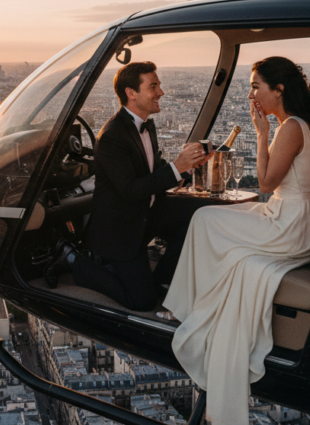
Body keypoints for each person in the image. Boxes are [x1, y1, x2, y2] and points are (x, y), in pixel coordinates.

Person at [161, 56, 310, 425]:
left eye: (256, 85)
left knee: (205, 219)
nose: (251, 93)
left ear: (279, 90)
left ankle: (188, 308)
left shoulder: (289, 128)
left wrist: (260, 133)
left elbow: (267, 184)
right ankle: (195, 305)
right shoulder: (302, 125)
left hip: (288, 224)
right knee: (216, 222)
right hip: (302, 218)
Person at [71, 61, 210, 311]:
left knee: (196, 213)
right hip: (120, 227)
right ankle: (78, 265)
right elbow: (130, 191)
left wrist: (190, 166)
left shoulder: (147, 124)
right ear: (131, 93)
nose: (161, 92)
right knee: (142, 302)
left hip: (146, 213)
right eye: (153, 86)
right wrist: (177, 167)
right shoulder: (113, 134)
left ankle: (161, 281)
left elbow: (156, 171)